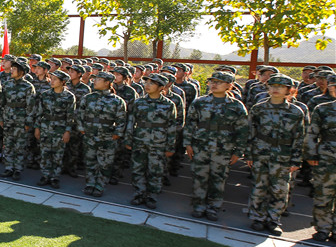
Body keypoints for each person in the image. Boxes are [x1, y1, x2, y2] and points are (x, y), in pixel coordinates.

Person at [183, 71, 248, 221]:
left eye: (219, 82)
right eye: (212, 81)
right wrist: (188, 144)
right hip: (201, 146)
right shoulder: (199, 102)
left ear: (229, 86)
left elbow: (242, 130)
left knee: (218, 179)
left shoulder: (236, 106)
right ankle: (198, 206)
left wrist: (238, 151)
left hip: (223, 149)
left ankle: (213, 207)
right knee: (199, 177)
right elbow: (190, 124)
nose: (214, 84)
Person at [246, 74, 305, 235]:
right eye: (273, 85)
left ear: (288, 90)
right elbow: (251, 132)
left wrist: (296, 159)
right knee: (259, 187)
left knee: (280, 190)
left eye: (280, 86)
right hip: (261, 153)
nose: (276, 89)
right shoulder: (259, 108)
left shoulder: (295, 111)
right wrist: (249, 154)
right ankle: (258, 218)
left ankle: (273, 220)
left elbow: (299, 137)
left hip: (283, 156)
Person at [124, 73, 178, 209]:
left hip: (158, 142)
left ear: (161, 87)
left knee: (156, 170)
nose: (147, 85)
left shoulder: (168, 105)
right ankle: (139, 193)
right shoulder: (139, 102)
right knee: (138, 168)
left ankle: (152, 196)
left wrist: (170, 146)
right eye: (146, 82)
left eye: (151, 83)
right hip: (140, 140)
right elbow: (131, 122)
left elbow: (172, 127)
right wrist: (129, 139)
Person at [77, 71, 126, 197]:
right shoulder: (88, 98)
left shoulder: (117, 101)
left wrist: (116, 134)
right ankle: (90, 184)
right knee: (90, 161)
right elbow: (80, 114)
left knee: (105, 163)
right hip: (90, 135)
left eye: (98, 79)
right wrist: (82, 128)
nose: (95, 81)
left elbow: (121, 120)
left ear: (107, 83)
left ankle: (100, 185)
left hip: (107, 137)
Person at [33, 70, 77, 188]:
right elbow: (39, 113)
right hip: (46, 127)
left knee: (58, 155)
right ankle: (45, 175)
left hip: (60, 129)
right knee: (45, 153)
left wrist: (67, 131)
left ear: (62, 82)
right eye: (51, 78)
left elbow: (70, 116)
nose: (51, 81)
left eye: (55, 79)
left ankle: (55, 177)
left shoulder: (69, 96)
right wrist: (37, 128)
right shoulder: (45, 94)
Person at [306, 75, 336, 241]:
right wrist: (311, 154)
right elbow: (312, 133)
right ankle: (323, 228)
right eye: (334, 87)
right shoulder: (323, 109)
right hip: (326, 158)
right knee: (323, 194)